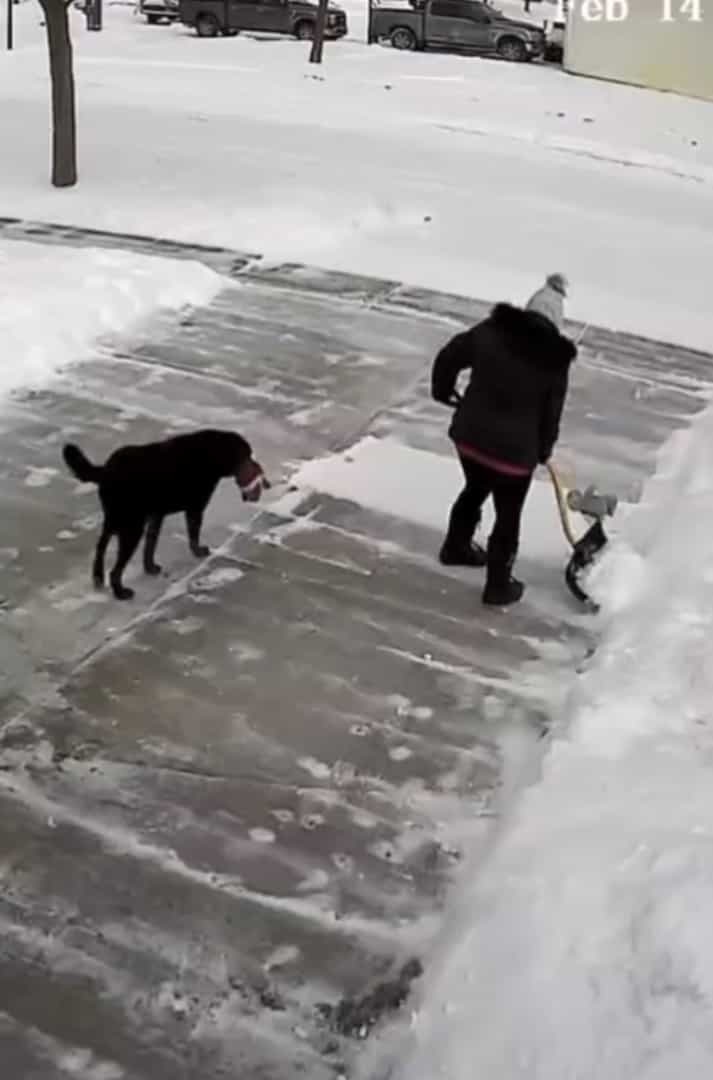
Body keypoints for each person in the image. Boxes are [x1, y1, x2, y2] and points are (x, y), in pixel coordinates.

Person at [431, 273, 577, 607]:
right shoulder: (555, 360)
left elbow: (449, 355)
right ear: (556, 321)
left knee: (475, 487)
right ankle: (498, 586)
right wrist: (542, 452)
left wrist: (443, 392)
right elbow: (551, 414)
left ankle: (455, 547)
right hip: (513, 457)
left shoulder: (492, 331)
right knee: (508, 516)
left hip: (469, 439)